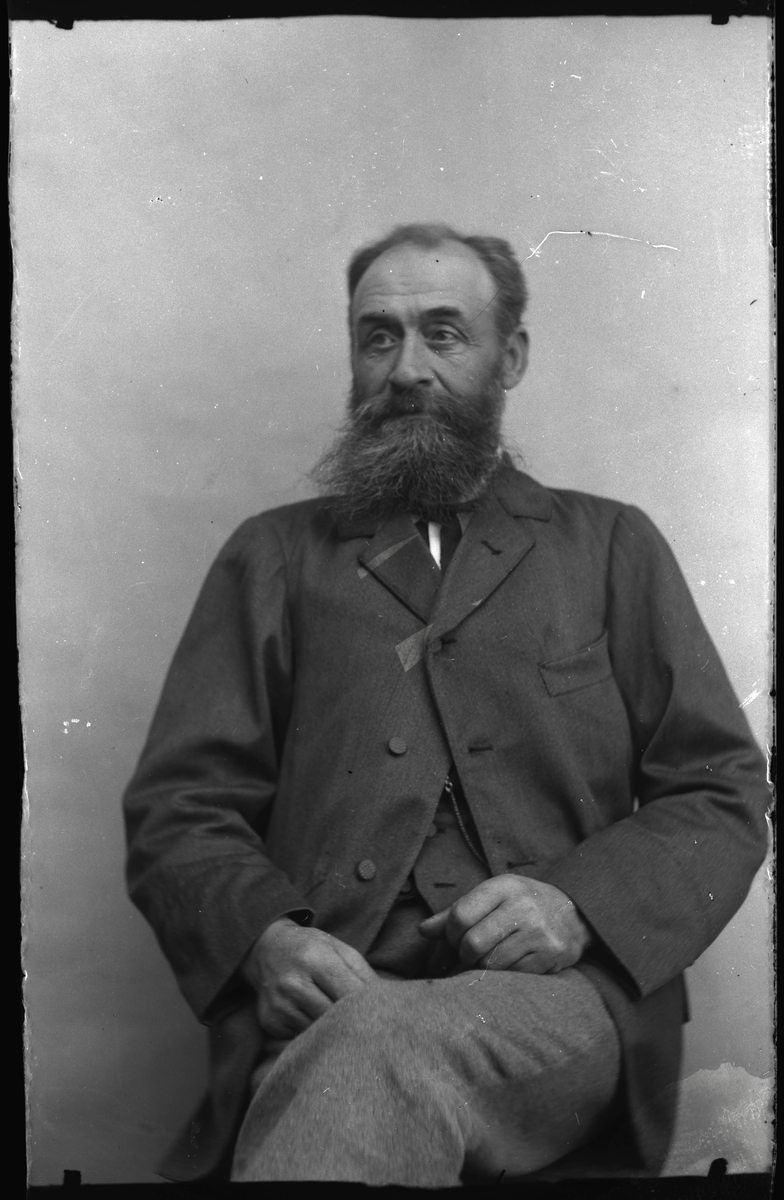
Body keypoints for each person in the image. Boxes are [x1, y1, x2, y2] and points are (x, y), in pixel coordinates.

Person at [123, 223, 769, 1186]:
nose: (406, 369)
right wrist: (265, 941)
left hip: (557, 1002)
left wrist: (579, 905)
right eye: (378, 337)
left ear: (510, 358)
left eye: (443, 333)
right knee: (362, 1042)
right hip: (326, 1001)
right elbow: (180, 808)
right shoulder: (273, 556)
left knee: (380, 1046)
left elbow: (720, 790)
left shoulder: (611, 546)